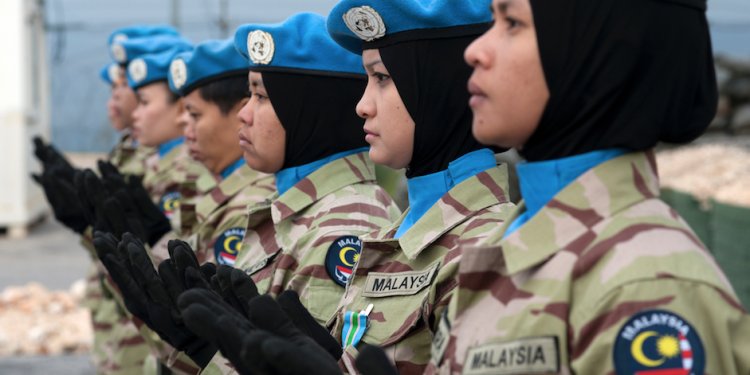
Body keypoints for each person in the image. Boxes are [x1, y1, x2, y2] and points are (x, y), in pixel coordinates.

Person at [424, 0, 750, 373]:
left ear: (599, 51)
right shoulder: (510, 239)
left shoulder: (645, 288)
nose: (474, 50)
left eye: (512, 22)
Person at [175, 12, 402, 374]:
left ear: (308, 109)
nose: (244, 115)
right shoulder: (293, 211)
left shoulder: (343, 227)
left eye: (261, 97)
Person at [322, 1, 516, 373]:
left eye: (382, 78)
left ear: (438, 86)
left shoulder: (486, 248)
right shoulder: (396, 234)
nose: (362, 105)